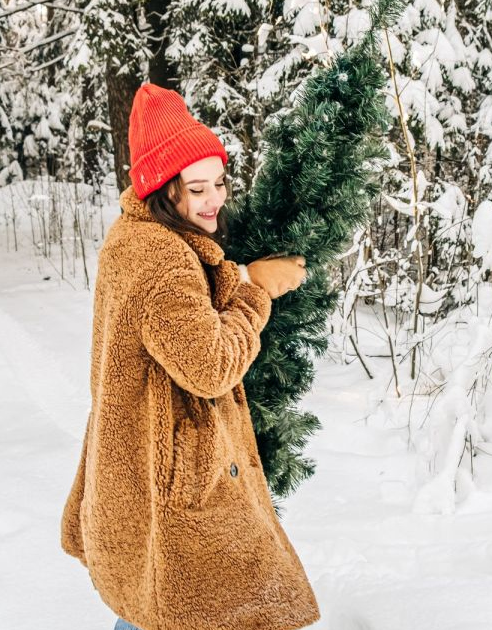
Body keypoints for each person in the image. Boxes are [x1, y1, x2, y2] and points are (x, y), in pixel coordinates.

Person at [60, 83, 320, 630]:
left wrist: (238, 274)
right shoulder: (162, 258)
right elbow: (210, 367)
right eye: (196, 188)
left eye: (219, 183)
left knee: (154, 606)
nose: (213, 200)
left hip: (138, 466)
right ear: (162, 188)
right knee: (187, 604)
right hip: (175, 481)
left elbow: (176, 320)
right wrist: (254, 292)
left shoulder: (133, 237)